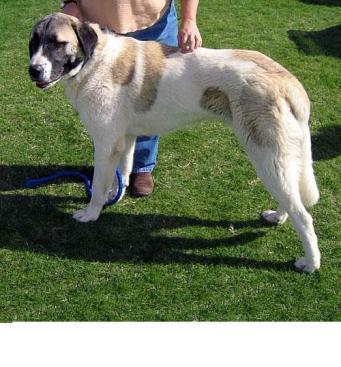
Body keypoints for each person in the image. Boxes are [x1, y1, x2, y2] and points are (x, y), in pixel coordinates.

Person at [61, 0, 202, 197]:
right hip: (96, 29)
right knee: (103, 109)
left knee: (151, 103)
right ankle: (109, 169)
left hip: (153, 24)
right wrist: (70, 2)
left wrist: (189, 19)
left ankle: (142, 167)